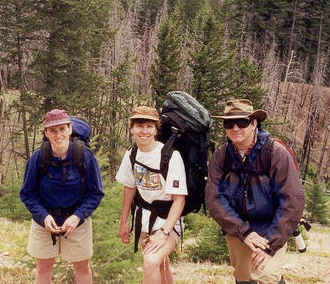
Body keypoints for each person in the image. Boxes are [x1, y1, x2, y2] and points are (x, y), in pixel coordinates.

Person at [205, 99, 305, 284]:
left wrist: (271, 244)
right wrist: (244, 231)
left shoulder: (275, 153)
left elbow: (293, 200)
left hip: (271, 225)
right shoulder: (221, 156)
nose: (235, 128)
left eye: (242, 122)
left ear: (254, 123)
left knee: (267, 276)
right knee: (243, 277)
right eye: (229, 123)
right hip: (238, 225)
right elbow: (214, 199)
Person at [20, 109, 104, 284]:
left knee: (82, 268)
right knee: (43, 268)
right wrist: (43, 217)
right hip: (44, 220)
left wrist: (77, 216)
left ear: (70, 129)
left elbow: (95, 193)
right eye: (52, 130)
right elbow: (27, 193)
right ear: (46, 133)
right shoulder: (38, 158)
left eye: (62, 129)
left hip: (77, 222)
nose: (58, 135)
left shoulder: (85, 157)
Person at [116, 106, 187, 284]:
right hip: (144, 219)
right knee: (161, 264)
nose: (144, 131)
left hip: (168, 220)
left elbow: (179, 200)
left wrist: (164, 232)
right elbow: (130, 188)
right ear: (132, 128)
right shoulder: (131, 154)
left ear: (156, 129)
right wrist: (124, 221)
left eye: (149, 126)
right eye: (139, 125)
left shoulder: (170, 156)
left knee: (150, 262)